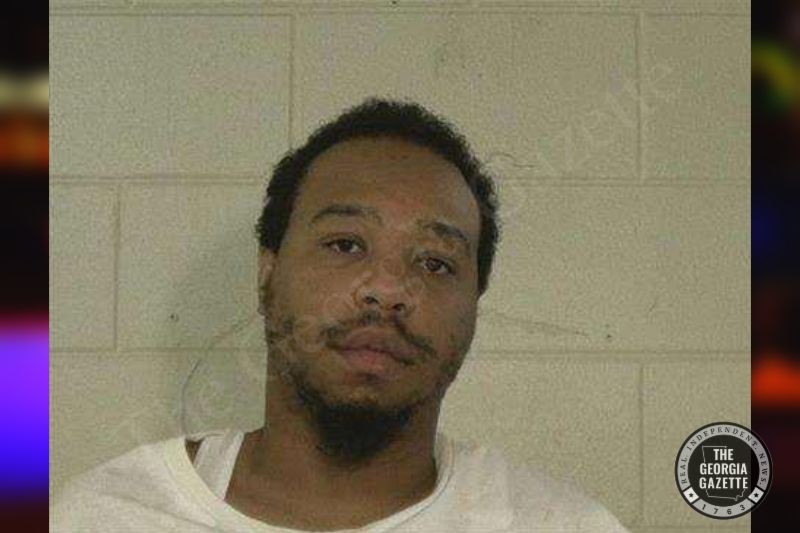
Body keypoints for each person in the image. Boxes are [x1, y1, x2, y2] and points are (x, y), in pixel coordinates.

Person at [50, 98, 629, 532]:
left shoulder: (559, 525)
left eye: (435, 262)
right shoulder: (103, 517)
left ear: (474, 303)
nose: (387, 290)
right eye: (346, 244)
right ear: (267, 273)